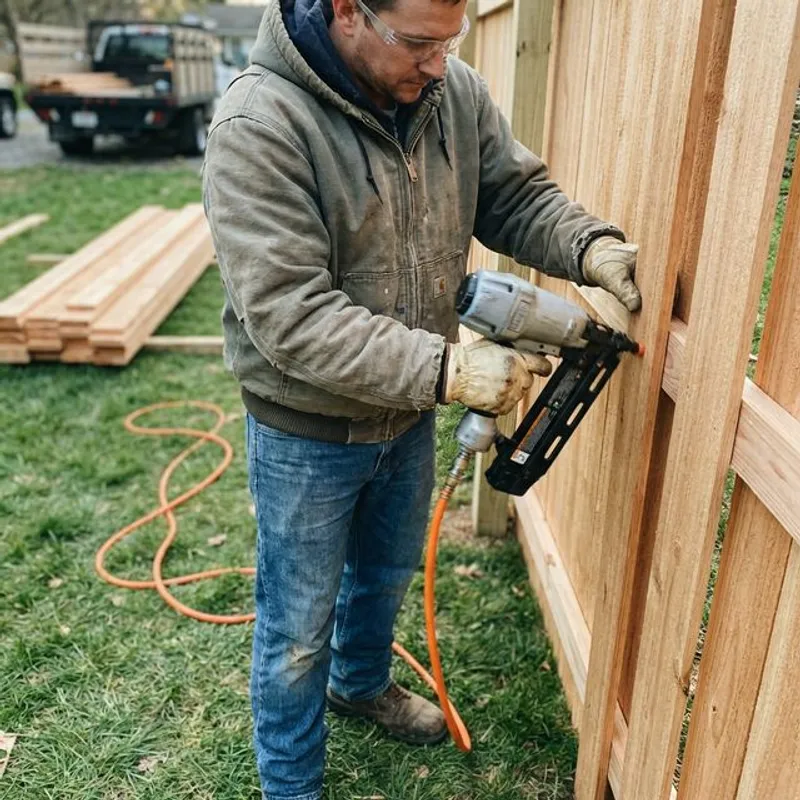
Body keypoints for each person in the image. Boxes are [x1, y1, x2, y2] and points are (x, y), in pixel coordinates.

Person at [202, 0, 641, 797]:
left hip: (405, 413)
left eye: (452, 40)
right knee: (297, 629)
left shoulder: (449, 94)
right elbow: (289, 316)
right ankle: (291, 784)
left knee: (385, 571)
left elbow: (512, 195)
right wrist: (447, 371)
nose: (439, 64)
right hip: (307, 432)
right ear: (345, 13)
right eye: (419, 43)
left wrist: (589, 245)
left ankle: (360, 682)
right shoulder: (259, 125)